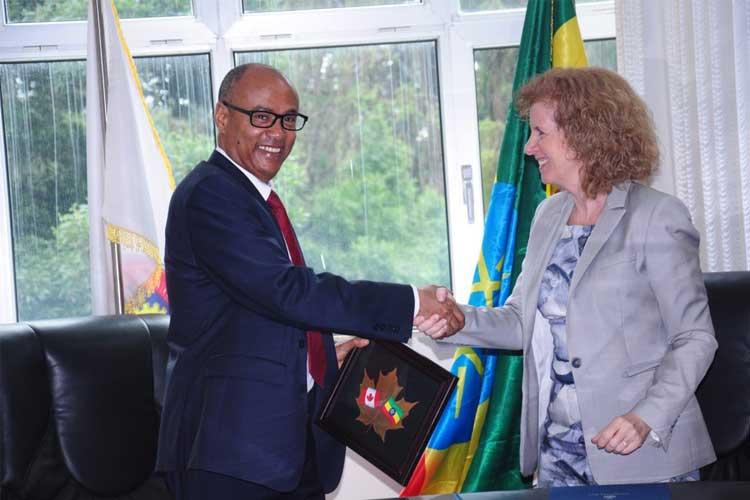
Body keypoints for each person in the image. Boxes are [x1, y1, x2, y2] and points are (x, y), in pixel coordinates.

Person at [155, 63, 464, 499]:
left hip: (281, 447)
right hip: (228, 452)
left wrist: (320, 354)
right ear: (222, 116)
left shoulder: (254, 198)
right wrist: (413, 302)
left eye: (288, 119)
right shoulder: (212, 194)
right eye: (261, 116)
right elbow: (287, 291)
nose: (277, 133)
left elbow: (253, 310)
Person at [417, 67, 717, 486]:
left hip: (642, 451)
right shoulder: (548, 215)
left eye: (540, 133)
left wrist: (645, 417)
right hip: (559, 454)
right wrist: (458, 319)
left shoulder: (657, 216)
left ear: (585, 134)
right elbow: (522, 322)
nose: (528, 148)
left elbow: (695, 338)